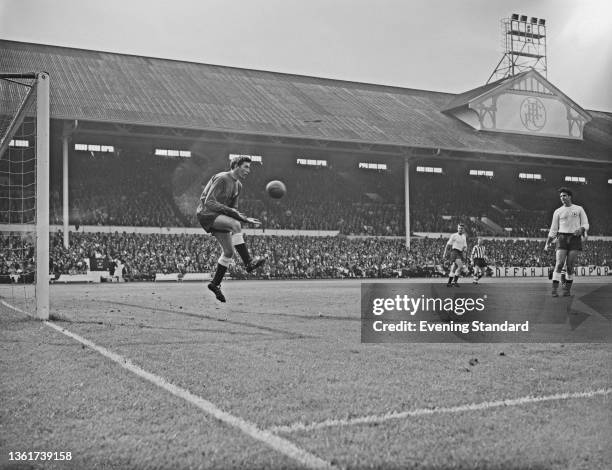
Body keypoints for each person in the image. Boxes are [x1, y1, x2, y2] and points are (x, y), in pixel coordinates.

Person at [197, 156, 265, 302]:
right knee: (235, 225)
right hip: (207, 213)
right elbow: (209, 202)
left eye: (249, 167)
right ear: (235, 165)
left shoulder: (238, 185)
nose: (248, 170)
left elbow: (233, 209)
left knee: (229, 252)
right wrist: (237, 218)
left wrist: (243, 218)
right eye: (246, 167)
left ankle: (215, 284)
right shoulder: (222, 178)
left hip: (219, 216)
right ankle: (249, 262)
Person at [545, 187, 589, 297]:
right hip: (562, 238)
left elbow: (586, 224)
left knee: (569, 266)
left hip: (574, 238)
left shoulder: (579, 209)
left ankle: (567, 290)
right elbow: (553, 229)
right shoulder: (558, 211)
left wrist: (582, 229)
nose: (562, 198)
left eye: (564, 195)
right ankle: (554, 290)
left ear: (570, 196)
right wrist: (547, 243)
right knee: (559, 264)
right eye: (560, 196)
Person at [443, 223, 467, 287]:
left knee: (454, 268)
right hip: (455, 252)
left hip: (460, 252)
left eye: (461, 228)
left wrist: (464, 252)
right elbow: (448, 245)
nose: (460, 229)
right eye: (459, 228)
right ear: (457, 228)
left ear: (463, 229)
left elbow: (465, 246)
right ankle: (454, 282)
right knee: (461, 266)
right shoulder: (454, 235)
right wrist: (444, 253)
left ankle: (449, 283)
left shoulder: (464, 236)